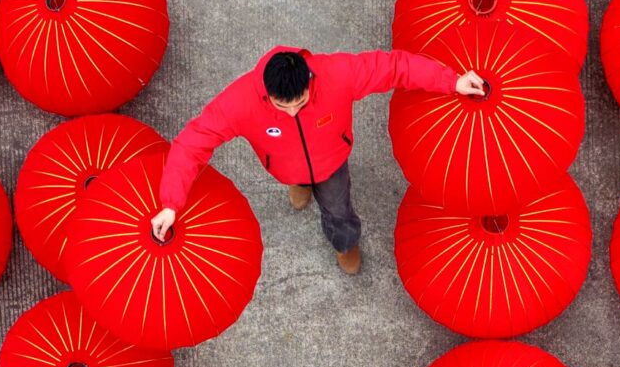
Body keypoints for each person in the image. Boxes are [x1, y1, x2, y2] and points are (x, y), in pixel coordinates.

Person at [152, 46, 488, 274]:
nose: (292, 112)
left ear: (309, 81)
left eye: (300, 102)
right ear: (266, 93)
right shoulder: (240, 101)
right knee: (297, 179)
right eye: (282, 107)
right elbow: (193, 141)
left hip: (332, 164)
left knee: (339, 210)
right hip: (284, 166)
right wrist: (170, 203)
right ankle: (300, 185)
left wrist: (451, 81)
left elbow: (394, 67)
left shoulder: (337, 74)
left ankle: (345, 243)